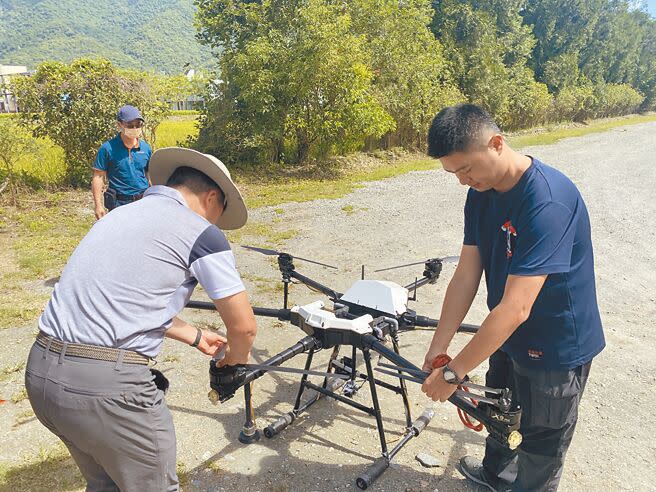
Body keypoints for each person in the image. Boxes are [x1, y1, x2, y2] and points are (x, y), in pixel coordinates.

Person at [25, 147, 257, 491]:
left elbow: (122, 300)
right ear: (211, 197)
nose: (216, 223)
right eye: (219, 213)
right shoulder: (202, 233)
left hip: (42, 376)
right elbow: (244, 326)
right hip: (105, 390)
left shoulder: (120, 217)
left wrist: (194, 335)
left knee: (106, 483)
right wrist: (232, 365)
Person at [420, 104, 605, 491]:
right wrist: (440, 347)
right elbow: (466, 274)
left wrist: (454, 374)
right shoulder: (481, 194)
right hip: (504, 331)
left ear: (497, 143)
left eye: (466, 169)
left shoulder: (547, 200)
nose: (462, 181)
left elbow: (518, 307)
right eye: (453, 173)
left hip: (554, 342)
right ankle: (495, 476)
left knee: (542, 439)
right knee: (501, 410)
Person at [92, 104, 152, 219]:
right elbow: (98, 177)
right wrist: (98, 205)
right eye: (130, 125)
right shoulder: (107, 148)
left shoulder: (146, 148)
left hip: (143, 202)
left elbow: (149, 174)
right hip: (119, 204)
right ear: (119, 125)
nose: (134, 129)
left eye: (138, 125)